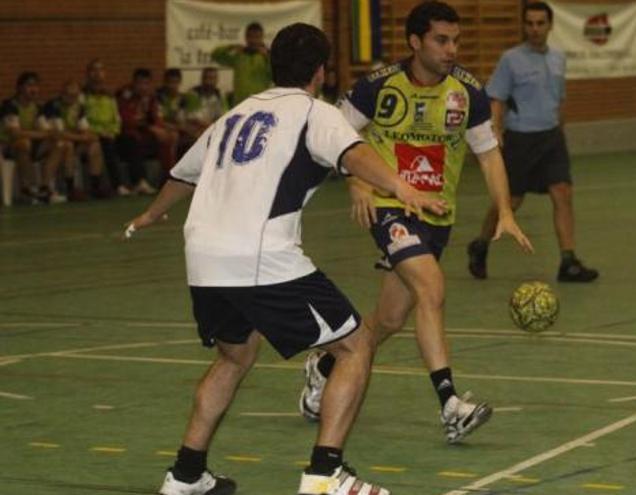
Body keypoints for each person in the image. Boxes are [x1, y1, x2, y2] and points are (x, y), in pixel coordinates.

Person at [126, 23, 445, 495]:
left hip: (203, 256)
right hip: (260, 255)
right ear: (320, 72)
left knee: (235, 355)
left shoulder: (235, 115)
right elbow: (355, 155)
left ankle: (185, 475)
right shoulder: (315, 112)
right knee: (355, 345)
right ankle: (325, 474)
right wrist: (401, 186)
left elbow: (183, 174)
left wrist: (151, 213)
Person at [298, 1, 533, 444]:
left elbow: (487, 154)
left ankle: (325, 365)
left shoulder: (467, 93)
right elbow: (336, 136)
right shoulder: (378, 87)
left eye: (456, 41)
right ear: (415, 42)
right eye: (441, 41)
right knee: (432, 287)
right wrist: (358, 185)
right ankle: (450, 405)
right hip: (390, 206)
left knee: (389, 319)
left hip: (436, 214)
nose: (452, 50)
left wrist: (503, 209)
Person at [467, 1, 599, 283]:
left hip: (551, 137)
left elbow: (559, 98)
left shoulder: (559, 58)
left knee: (562, 192)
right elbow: (498, 98)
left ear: (550, 25)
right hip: (521, 140)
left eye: (541, 23)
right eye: (530, 23)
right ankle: (480, 244)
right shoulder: (511, 59)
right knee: (510, 202)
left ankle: (568, 261)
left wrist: (560, 127)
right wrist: (496, 130)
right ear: (524, 26)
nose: (535, 29)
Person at [84, 58, 151, 196]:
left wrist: (113, 131)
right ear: (88, 74)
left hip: (112, 133)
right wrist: (99, 132)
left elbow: (116, 117)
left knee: (131, 140)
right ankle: (118, 185)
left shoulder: (109, 95)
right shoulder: (82, 95)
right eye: (94, 70)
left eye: (100, 70)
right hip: (93, 135)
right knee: (107, 145)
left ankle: (140, 182)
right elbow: (82, 119)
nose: (97, 73)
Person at [0, 72, 68, 204]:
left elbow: (45, 130)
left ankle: (44, 187)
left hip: (31, 145)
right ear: (20, 88)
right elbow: (15, 133)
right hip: (8, 147)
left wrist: (46, 134)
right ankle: (28, 188)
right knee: (23, 143)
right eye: (30, 85)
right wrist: (40, 134)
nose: (34, 89)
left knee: (59, 144)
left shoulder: (38, 107)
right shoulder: (10, 106)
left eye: (36, 86)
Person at [41, 80, 108, 200]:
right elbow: (59, 134)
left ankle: (95, 185)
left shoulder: (78, 107)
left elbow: (85, 129)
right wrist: (82, 137)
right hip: (49, 142)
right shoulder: (54, 106)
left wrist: (88, 136)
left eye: (75, 96)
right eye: (69, 95)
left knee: (95, 144)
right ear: (62, 94)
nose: (73, 99)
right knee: (68, 145)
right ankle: (69, 188)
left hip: (71, 139)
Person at [116, 68, 177, 188]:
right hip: (128, 134)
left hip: (146, 134)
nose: (143, 87)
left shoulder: (151, 97)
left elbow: (155, 117)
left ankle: (168, 178)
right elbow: (127, 120)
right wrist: (151, 128)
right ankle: (140, 181)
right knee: (133, 140)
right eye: (140, 83)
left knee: (168, 138)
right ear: (134, 83)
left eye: (146, 84)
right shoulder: (125, 96)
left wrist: (164, 129)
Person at [211, 21, 273, 105]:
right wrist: (230, 47)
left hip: (261, 103)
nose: (253, 40)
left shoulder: (268, 56)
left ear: (262, 37)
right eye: (250, 36)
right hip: (240, 103)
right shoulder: (239, 55)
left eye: (257, 37)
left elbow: (275, 76)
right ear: (246, 37)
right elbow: (215, 55)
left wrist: (267, 57)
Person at [184, 67, 228, 135]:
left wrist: (213, 126)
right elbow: (192, 118)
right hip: (196, 128)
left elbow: (224, 115)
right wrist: (209, 126)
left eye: (212, 78)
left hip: (213, 127)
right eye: (206, 78)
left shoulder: (220, 94)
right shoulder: (193, 94)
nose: (209, 81)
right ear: (202, 79)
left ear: (216, 80)